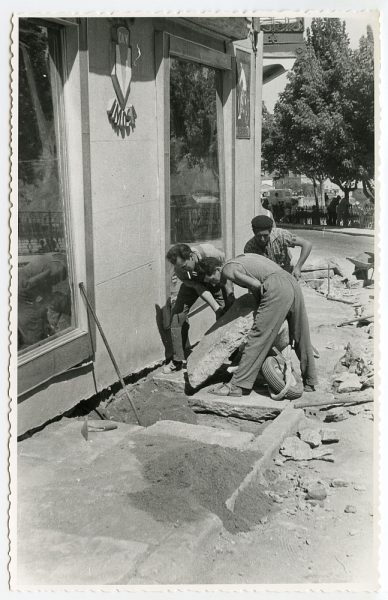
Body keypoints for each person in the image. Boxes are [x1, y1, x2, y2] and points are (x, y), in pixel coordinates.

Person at [198, 253, 318, 396]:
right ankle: (310, 380)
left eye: (212, 279)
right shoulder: (239, 259)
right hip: (290, 281)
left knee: (258, 336)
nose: (213, 283)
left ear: (218, 269)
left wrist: (259, 307)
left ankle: (237, 385)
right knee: (300, 333)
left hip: (275, 287)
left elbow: (256, 285)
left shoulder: (226, 269)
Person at [163, 243, 235, 373]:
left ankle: (233, 355)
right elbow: (199, 288)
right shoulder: (180, 269)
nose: (182, 269)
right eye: (179, 267)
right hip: (195, 284)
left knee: (227, 313)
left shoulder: (211, 253)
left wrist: (225, 301)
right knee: (177, 317)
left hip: (215, 279)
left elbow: (226, 272)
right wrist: (215, 308)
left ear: (191, 256)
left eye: (184, 266)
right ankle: (177, 360)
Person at [244, 215, 312, 279]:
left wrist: (298, 267)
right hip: (265, 277)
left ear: (270, 231)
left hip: (286, 272)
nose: (262, 239)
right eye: (259, 236)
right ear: (254, 232)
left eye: (265, 236)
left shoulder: (281, 235)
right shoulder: (249, 248)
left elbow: (306, 244)